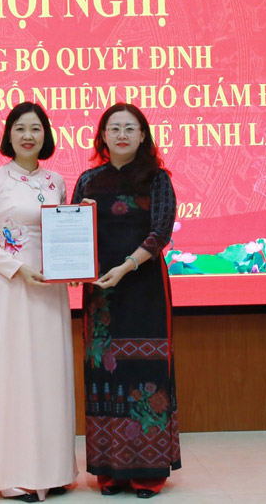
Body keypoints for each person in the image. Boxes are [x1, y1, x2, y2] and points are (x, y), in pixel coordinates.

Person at [71, 103, 181, 499]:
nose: (121, 135)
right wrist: (73, 267)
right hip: (101, 294)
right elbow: (72, 231)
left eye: (129, 128)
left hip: (145, 287)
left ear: (142, 136)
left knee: (145, 373)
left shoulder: (157, 179)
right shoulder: (88, 180)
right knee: (105, 377)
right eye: (113, 128)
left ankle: (147, 473)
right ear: (102, 136)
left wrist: (125, 267)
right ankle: (111, 472)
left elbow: (159, 234)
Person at [0, 102, 76, 502]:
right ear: (8, 135)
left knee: (52, 372)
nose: (28, 135)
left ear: (46, 135)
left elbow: (66, 231)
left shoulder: (57, 181)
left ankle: (57, 469)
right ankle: (17, 474)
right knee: (18, 375)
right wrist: (15, 268)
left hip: (51, 286)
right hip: (14, 285)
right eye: (20, 128)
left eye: (36, 128)